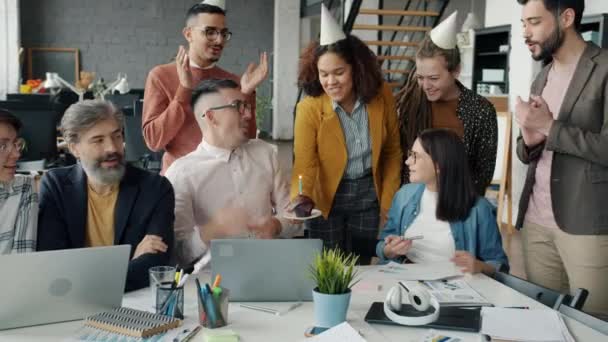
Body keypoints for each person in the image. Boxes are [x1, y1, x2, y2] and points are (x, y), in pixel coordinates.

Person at [516, 0, 608, 316]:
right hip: (536, 222)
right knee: (544, 319)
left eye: (534, 22)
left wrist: (550, 128)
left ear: (566, 17)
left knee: (592, 324)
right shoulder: (540, 78)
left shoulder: (605, 68)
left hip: (587, 226)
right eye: (523, 24)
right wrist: (528, 142)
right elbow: (530, 147)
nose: (526, 33)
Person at [290, 5, 402, 263]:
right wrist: (301, 197)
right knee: (329, 267)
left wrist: (388, 202)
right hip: (326, 197)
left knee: (361, 262)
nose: (331, 82)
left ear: (357, 69)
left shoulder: (381, 96)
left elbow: (392, 151)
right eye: (324, 74)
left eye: (339, 72)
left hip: (368, 195)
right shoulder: (309, 108)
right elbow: (305, 163)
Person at [37, 100, 175, 291]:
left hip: (134, 302)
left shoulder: (155, 188)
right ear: (74, 147)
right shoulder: (56, 186)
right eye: (98, 140)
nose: (112, 148)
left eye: (116, 136)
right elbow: (52, 263)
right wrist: (128, 264)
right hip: (73, 302)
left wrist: (82, 278)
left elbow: (155, 264)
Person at [165, 78, 300, 267]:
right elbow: (177, 254)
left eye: (247, 106)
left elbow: (294, 218)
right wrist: (212, 230)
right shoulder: (182, 173)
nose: (248, 114)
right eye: (238, 106)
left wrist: (276, 226)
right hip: (213, 281)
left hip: (268, 266)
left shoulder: (266, 153)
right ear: (211, 117)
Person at [143, 0, 269, 174]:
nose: (219, 40)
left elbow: (245, 139)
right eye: (210, 32)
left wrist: (246, 94)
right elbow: (154, 140)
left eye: (224, 34)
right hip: (178, 181)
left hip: (223, 178)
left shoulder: (232, 81)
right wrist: (184, 89)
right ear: (188, 34)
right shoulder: (160, 76)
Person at [376, 129, 508, 276]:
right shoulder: (404, 195)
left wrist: (479, 266)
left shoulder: (479, 209)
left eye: (415, 156)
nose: (407, 162)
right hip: (404, 278)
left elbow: (499, 264)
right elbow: (383, 244)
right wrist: (389, 250)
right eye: (410, 154)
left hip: (454, 288)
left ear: (438, 165)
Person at [396, 12, 497, 195]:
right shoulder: (409, 106)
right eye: (420, 77)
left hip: (459, 206)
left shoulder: (481, 110)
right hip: (412, 203)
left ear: (456, 71)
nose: (425, 86)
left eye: (434, 78)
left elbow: (483, 173)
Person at [0, 110, 37, 254]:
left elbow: (22, 263)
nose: (17, 154)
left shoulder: (23, 188)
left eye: (16, 144)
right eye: (2, 146)